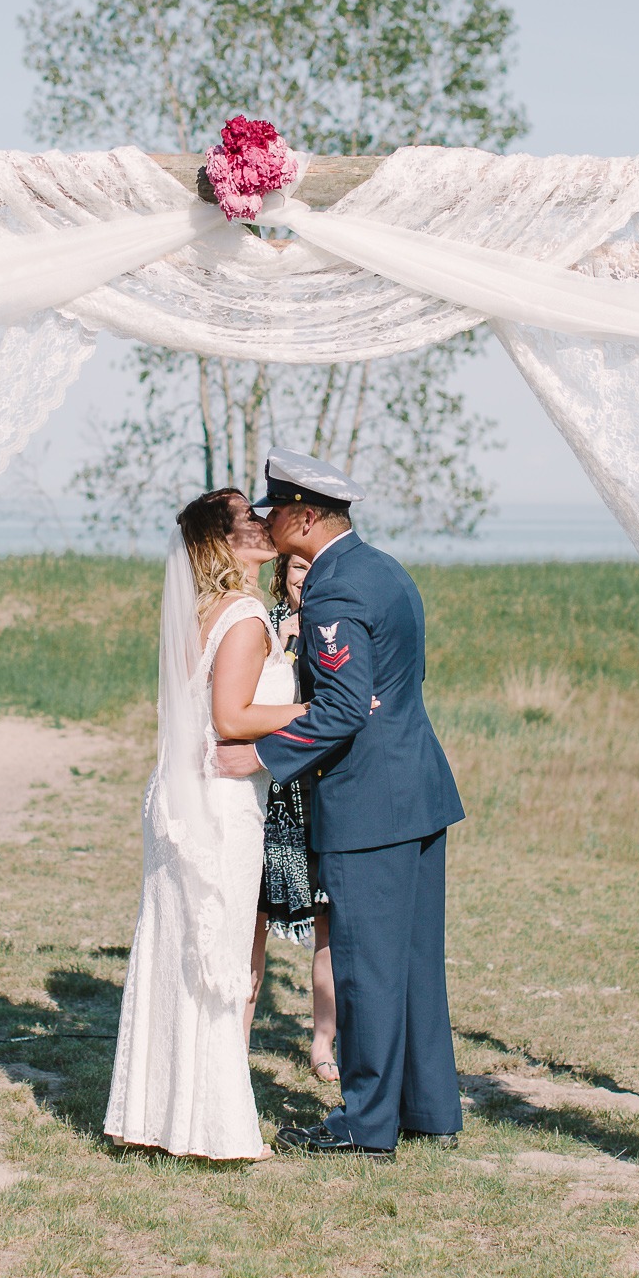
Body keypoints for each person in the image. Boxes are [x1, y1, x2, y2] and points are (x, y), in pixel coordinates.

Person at [217, 447, 465, 1158]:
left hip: (368, 803)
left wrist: (259, 754)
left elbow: (345, 707)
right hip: (415, 790)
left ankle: (363, 1125)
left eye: (274, 513)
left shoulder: (332, 588)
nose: (268, 526)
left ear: (302, 513)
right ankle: (426, 1109)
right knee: (413, 963)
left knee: (366, 969)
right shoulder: (380, 569)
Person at [104, 489, 306, 1161]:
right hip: (219, 807)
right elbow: (231, 719)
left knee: (177, 951)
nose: (261, 523)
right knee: (214, 955)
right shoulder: (245, 615)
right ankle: (209, 1127)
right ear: (224, 543)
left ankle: (155, 1117)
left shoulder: (201, 613)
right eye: (247, 518)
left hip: (179, 797)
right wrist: (312, 710)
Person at [246, 550, 339, 1085]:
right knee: (252, 917)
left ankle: (323, 1041)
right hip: (273, 798)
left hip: (323, 797)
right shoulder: (265, 627)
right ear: (282, 575)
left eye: (314, 568)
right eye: (297, 569)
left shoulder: (339, 628)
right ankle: (239, 1032)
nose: (306, 578)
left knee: (329, 923)